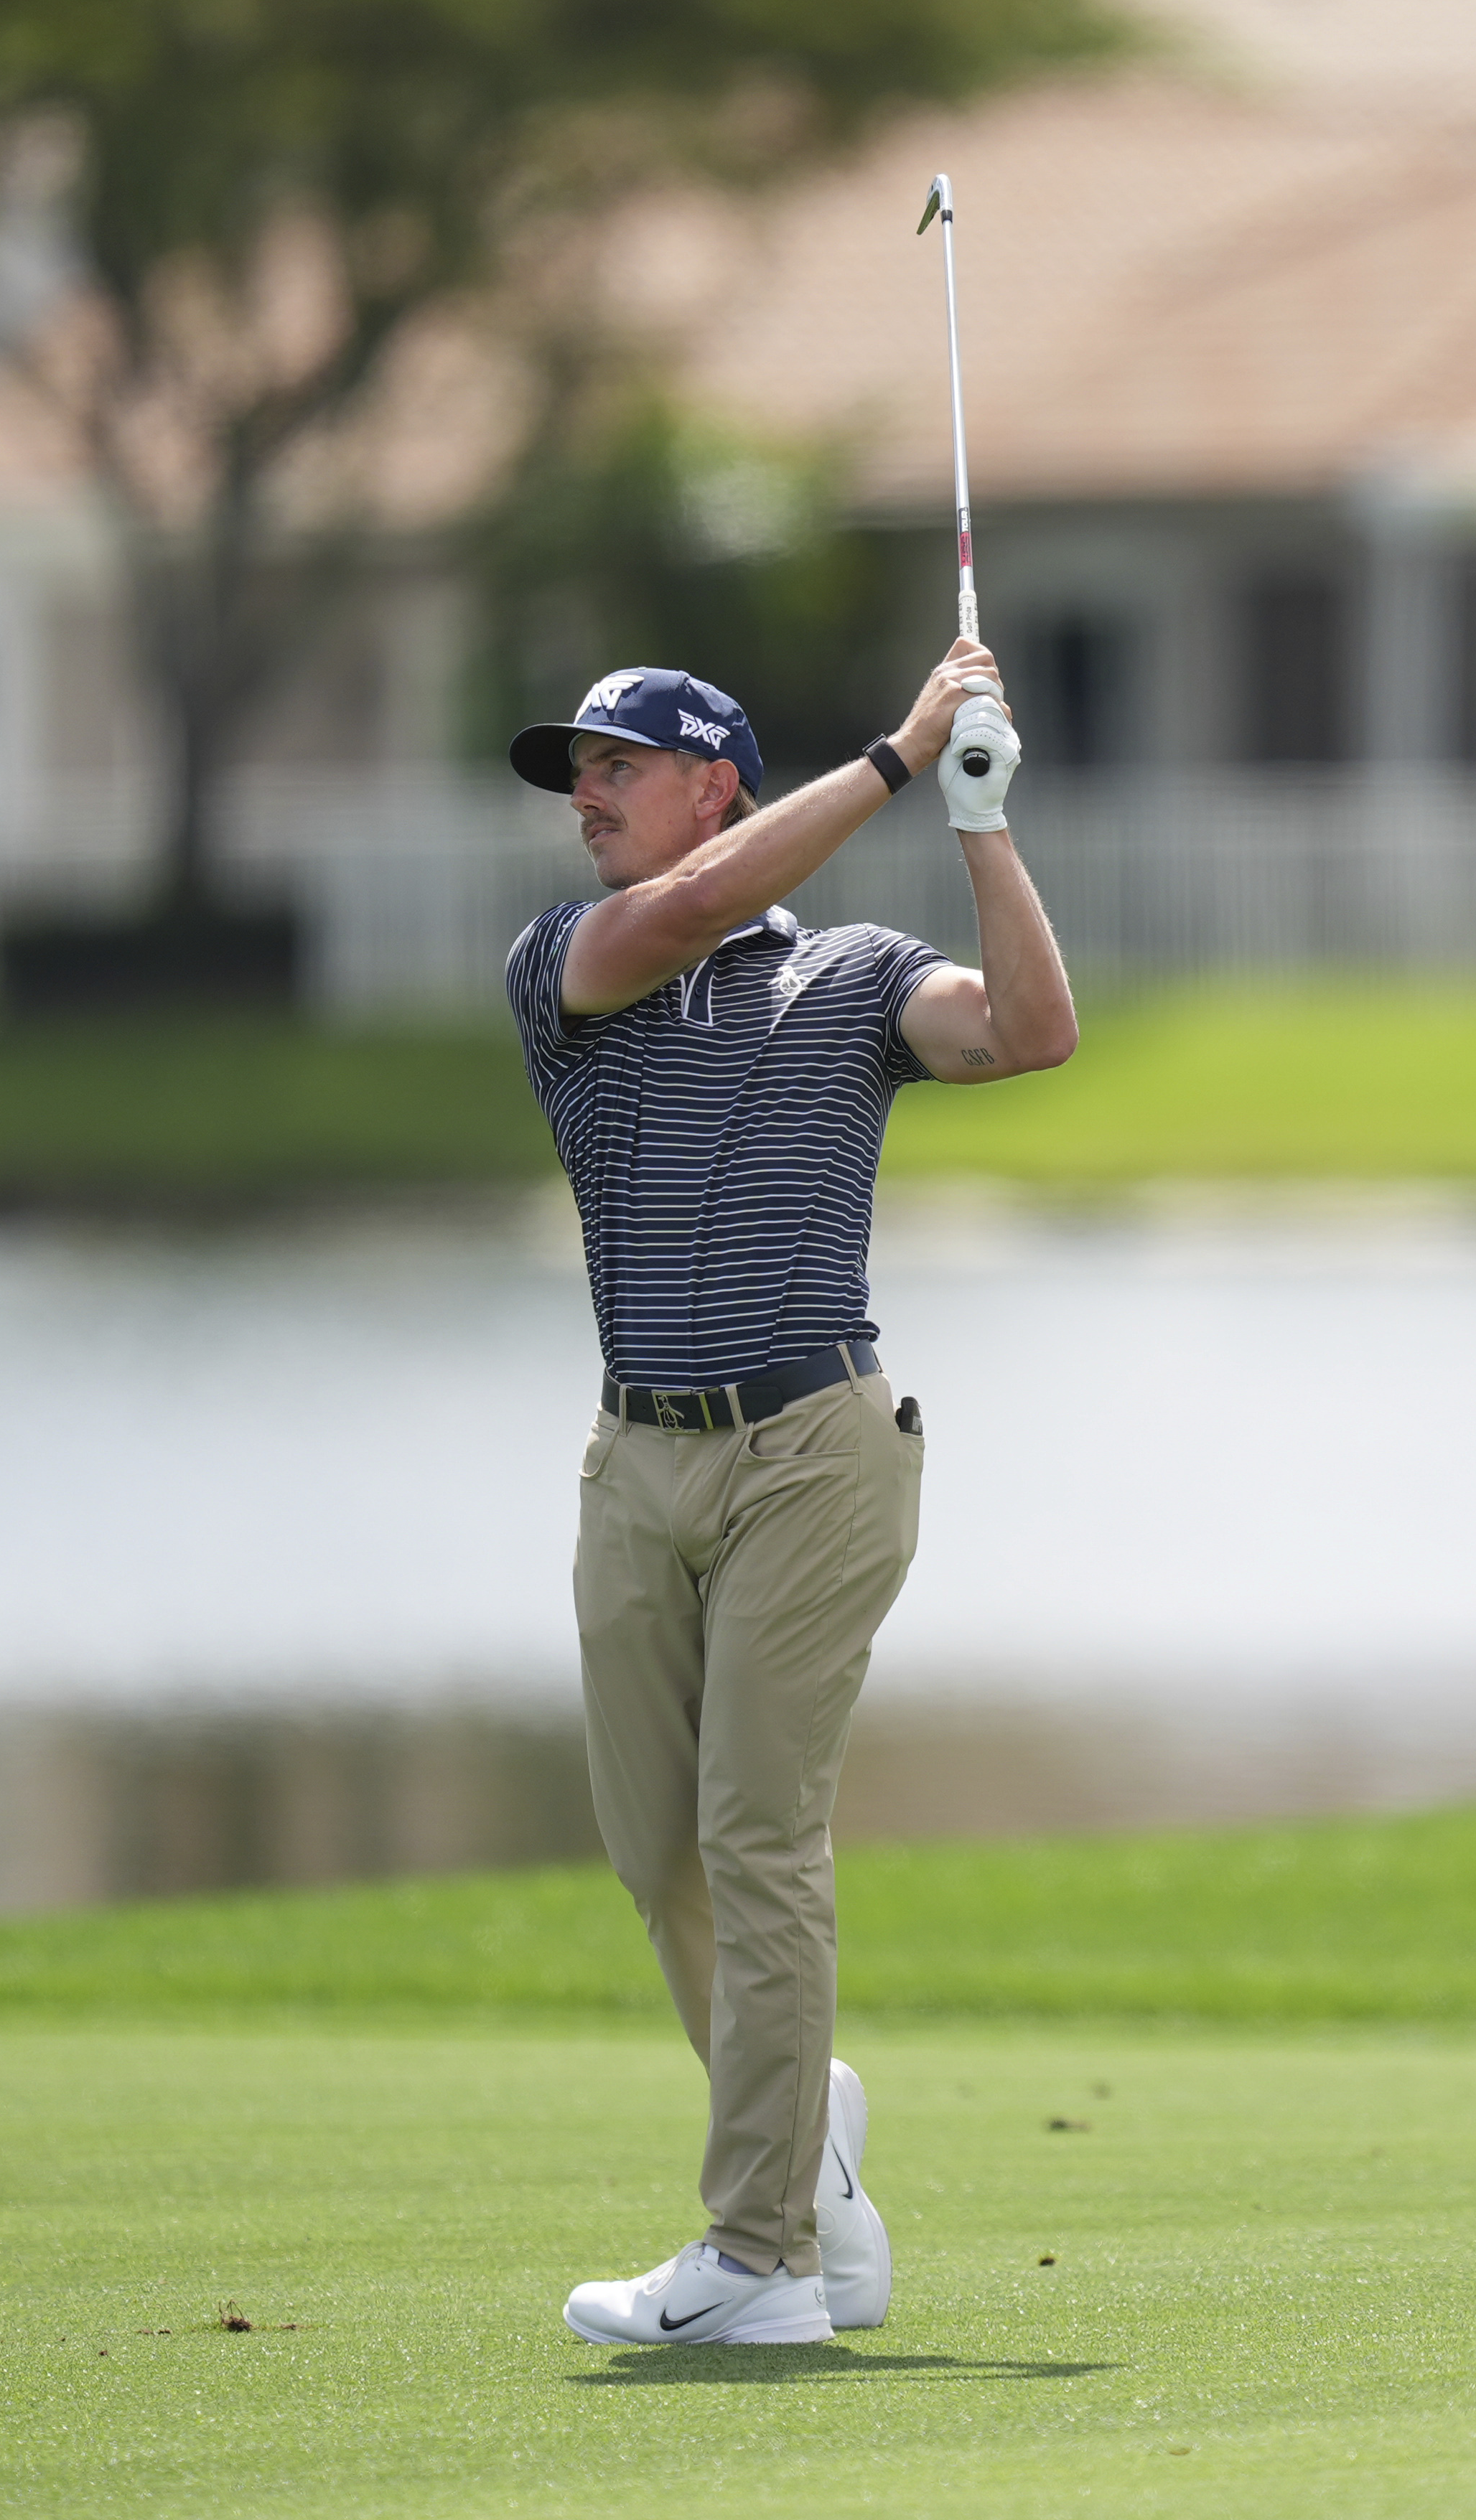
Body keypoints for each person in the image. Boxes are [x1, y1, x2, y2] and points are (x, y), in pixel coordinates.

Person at [500, 642, 1073, 2350]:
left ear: (715, 785)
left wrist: (977, 817)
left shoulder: (855, 972)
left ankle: (762, 2260)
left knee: (758, 1831)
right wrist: (895, 755)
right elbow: (673, 920)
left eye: (621, 764)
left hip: (816, 1444)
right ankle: (804, 2123)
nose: (586, 792)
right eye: (577, 770)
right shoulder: (569, 961)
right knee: (652, 1850)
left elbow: (1033, 1032)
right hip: (636, 1457)